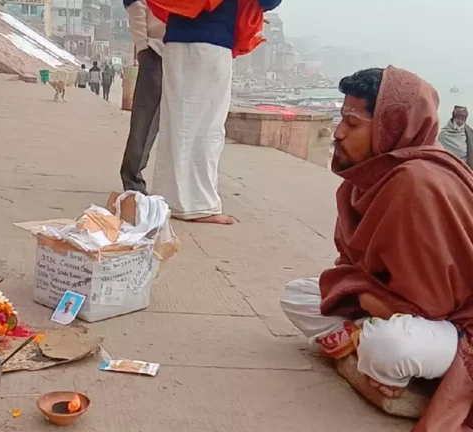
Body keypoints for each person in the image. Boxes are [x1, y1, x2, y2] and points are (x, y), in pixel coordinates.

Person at [280, 66, 473, 431]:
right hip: (393, 306)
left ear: (390, 126)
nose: (338, 133)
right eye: (341, 120)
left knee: (389, 347)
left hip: (457, 324)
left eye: (352, 124)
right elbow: (351, 267)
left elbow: (435, 305)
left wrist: (365, 301)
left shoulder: (417, 183)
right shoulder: (367, 178)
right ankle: (367, 359)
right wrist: (365, 297)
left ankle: (369, 361)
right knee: (297, 295)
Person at [149, 0, 282, 225]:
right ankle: (200, 205)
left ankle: (169, 198)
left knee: (176, 124)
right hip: (212, 43)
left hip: (177, 42)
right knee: (207, 128)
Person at [119, 0, 165, 194]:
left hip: (185, 50)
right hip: (156, 50)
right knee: (146, 120)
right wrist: (143, 46)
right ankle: (132, 181)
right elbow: (134, 3)